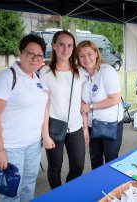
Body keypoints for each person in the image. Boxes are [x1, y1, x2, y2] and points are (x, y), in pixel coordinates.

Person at [0, 34, 48, 202]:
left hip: (33, 144)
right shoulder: (7, 77)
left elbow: (42, 107)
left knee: (29, 184)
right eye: (30, 53)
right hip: (11, 147)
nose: (35, 58)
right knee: (10, 192)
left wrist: (44, 135)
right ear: (20, 53)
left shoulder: (37, 78)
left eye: (40, 55)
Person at [39, 31, 89, 189]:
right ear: (54, 46)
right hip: (54, 127)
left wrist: (85, 127)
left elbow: (82, 102)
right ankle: (57, 196)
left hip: (76, 127)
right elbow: (44, 106)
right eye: (61, 44)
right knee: (55, 167)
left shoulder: (79, 72)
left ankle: (67, 191)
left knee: (78, 166)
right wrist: (45, 135)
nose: (65, 49)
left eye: (69, 45)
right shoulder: (45, 73)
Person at [77, 40, 124, 169]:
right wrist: (85, 127)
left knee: (111, 159)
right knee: (95, 158)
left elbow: (115, 99)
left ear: (96, 54)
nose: (86, 59)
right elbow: (81, 102)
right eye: (82, 56)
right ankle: (97, 187)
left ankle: (112, 187)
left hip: (110, 123)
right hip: (93, 125)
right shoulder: (82, 74)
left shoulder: (107, 71)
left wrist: (91, 106)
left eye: (89, 54)